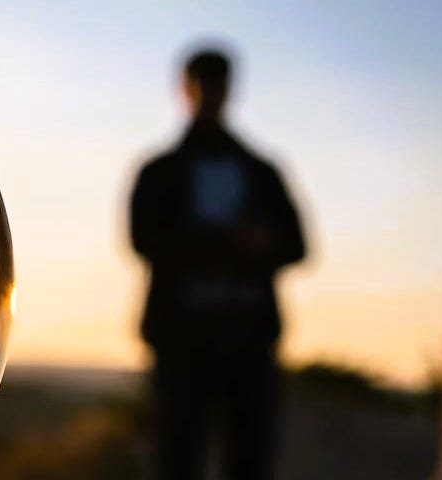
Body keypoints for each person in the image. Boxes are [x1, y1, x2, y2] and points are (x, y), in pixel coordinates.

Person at [129, 47, 306, 480]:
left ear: (230, 89)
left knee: (248, 461)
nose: (211, 93)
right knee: (177, 459)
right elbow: (142, 240)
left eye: (218, 82)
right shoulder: (159, 172)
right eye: (203, 82)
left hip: (248, 342)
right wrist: (222, 243)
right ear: (186, 89)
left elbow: (297, 245)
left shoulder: (262, 171)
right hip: (181, 341)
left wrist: (260, 245)